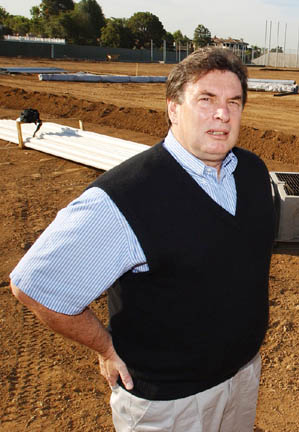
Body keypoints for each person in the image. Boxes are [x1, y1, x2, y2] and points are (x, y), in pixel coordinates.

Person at [10, 48, 276, 432]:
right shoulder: (126, 196)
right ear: (173, 109)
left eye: (233, 102)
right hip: (170, 406)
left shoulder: (252, 172)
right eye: (206, 100)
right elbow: (34, 283)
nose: (223, 114)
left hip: (242, 380)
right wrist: (105, 346)